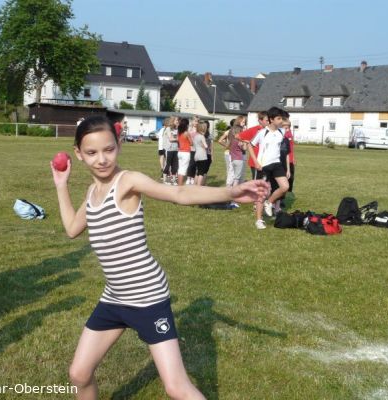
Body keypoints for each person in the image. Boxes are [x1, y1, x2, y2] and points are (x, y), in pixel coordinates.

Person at [50, 116, 268, 400]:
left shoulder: (127, 181)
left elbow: (178, 192)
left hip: (147, 297)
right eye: (91, 152)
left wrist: (230, 192)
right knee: (79, 374)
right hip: (114, 298)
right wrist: (61, 185)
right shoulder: (93, 193)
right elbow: (71, 229)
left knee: (176, 387)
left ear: (119, 146)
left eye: (109, 149)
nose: (101, 159)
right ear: (78, 153)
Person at [247, 107, 290, 229]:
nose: (281, 121)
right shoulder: (262, 132)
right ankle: (259, 220)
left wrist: (283, 115)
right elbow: (250, 145)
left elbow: (287, 121)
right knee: (261, 194)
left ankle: (269, 202)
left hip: (277, 164)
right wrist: (256, 162)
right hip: (263, 166)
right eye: (278, 118)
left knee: (285, 187)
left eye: (281, 118)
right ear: (271, 119)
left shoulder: (282, 132)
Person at [236, 111, 269, 180]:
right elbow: (237, 136)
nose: (268, 122)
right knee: (256, 182)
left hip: (266, 161)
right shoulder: (254, 129)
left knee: (265, 182)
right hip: (256, 161)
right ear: (260, 121)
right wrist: (248, 142)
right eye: (266, 120)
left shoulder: (269, 130)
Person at [177, 118, 192, 186]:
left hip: (180, 152)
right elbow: (191, 143)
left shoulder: (179, 132)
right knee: (183, 170)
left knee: (180, 169)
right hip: (186, 153)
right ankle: (180, 186)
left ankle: (179, 184)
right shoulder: (186, 133)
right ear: (187, 125)